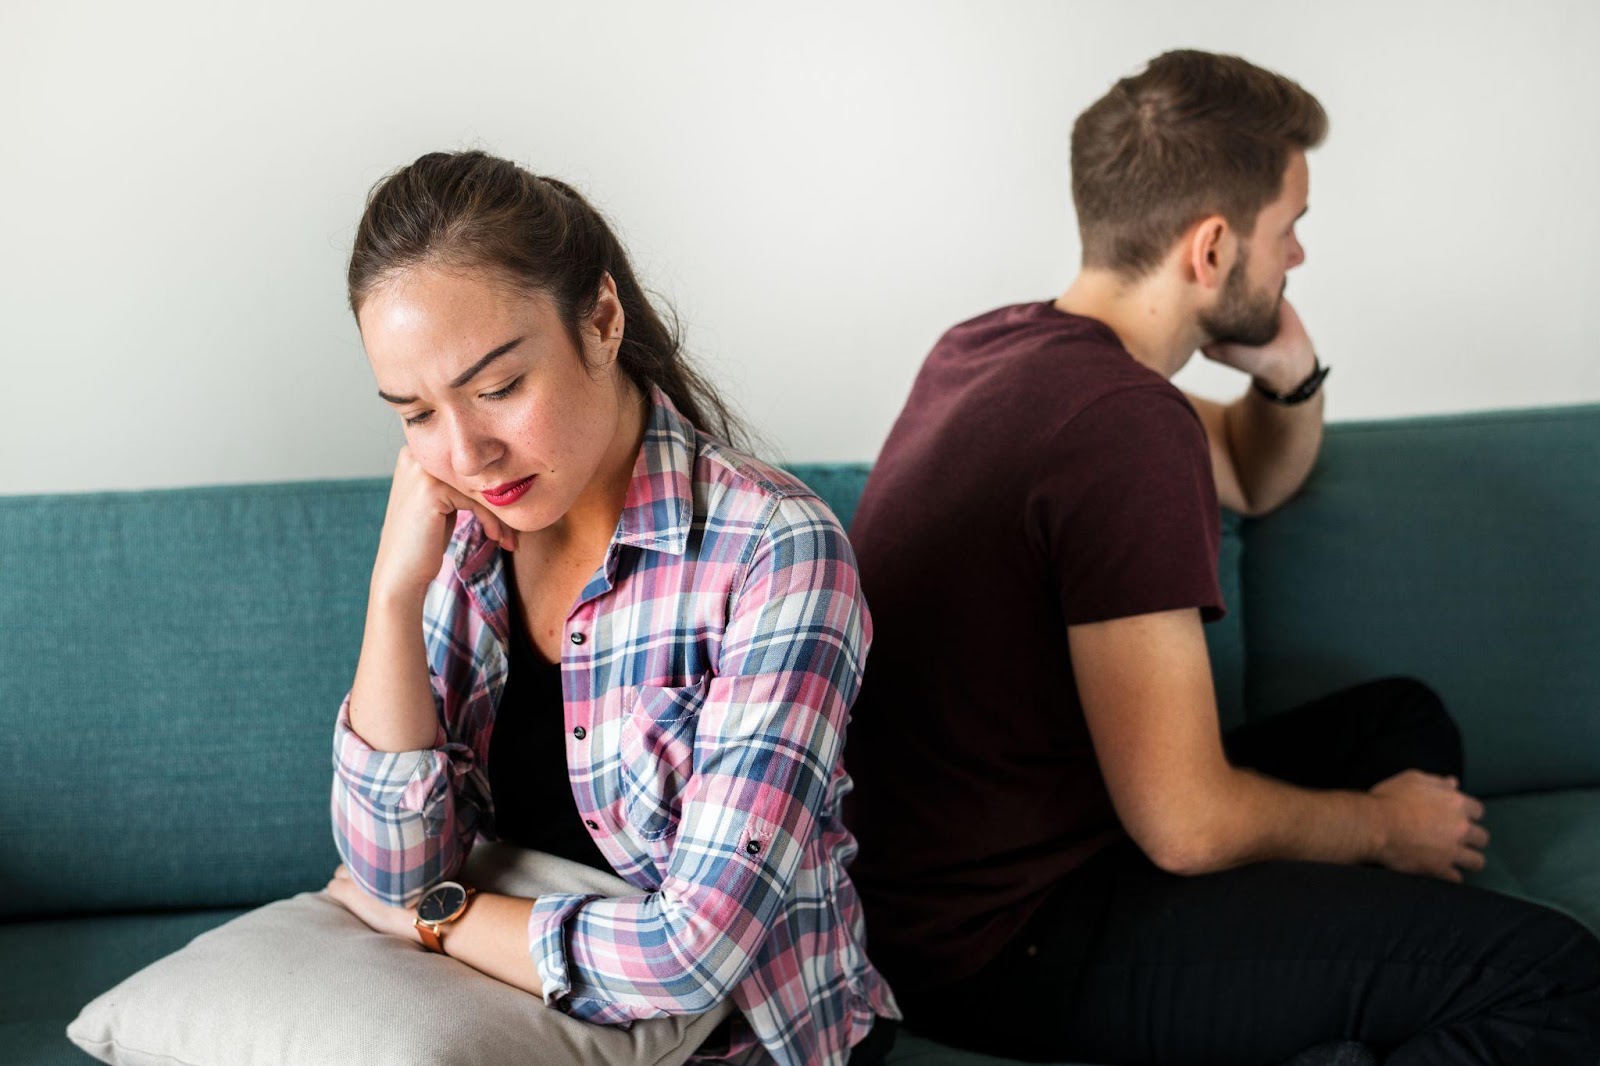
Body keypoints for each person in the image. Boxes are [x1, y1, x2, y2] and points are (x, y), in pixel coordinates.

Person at [842, 50, 1600, 1065]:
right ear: (1210, 247)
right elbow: (1187, 826)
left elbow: (1252, 473)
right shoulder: (1122, 424)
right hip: (1004, 941)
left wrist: (1288, 371)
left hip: (958, 878)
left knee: (1403, 722)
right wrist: (1378, 830)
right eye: (1288, 228)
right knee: (1559, 980)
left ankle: (1326, 988)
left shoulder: (991, 347)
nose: (1295, 258)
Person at [322, 150, 898, 1066]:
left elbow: (692, 956)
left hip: (742, 1044)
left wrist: (441, 916)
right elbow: (389, 864)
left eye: (500, 388)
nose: (467, 452)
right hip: (519, 1025)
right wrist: (392, 598)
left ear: (600, 320)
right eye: (416, 413)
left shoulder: (775, 550)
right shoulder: (460, 539)